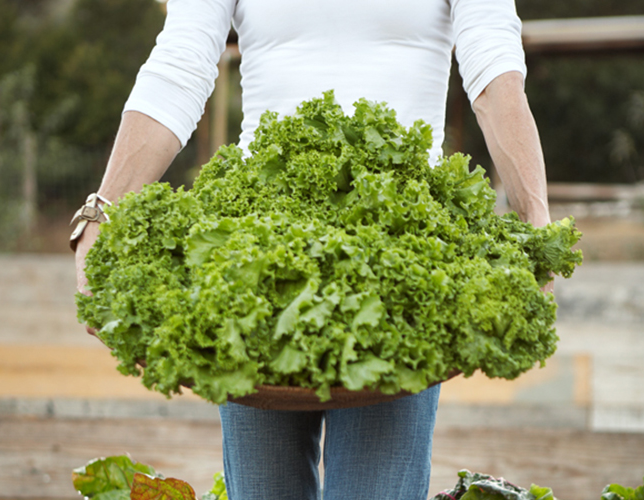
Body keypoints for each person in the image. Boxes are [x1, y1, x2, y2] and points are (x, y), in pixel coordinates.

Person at [72, 1, 552, 499]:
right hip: (255, 260)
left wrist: (535, 220)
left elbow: (494, 66)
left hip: (397, 267)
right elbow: (180, 63)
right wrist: (100, 213)